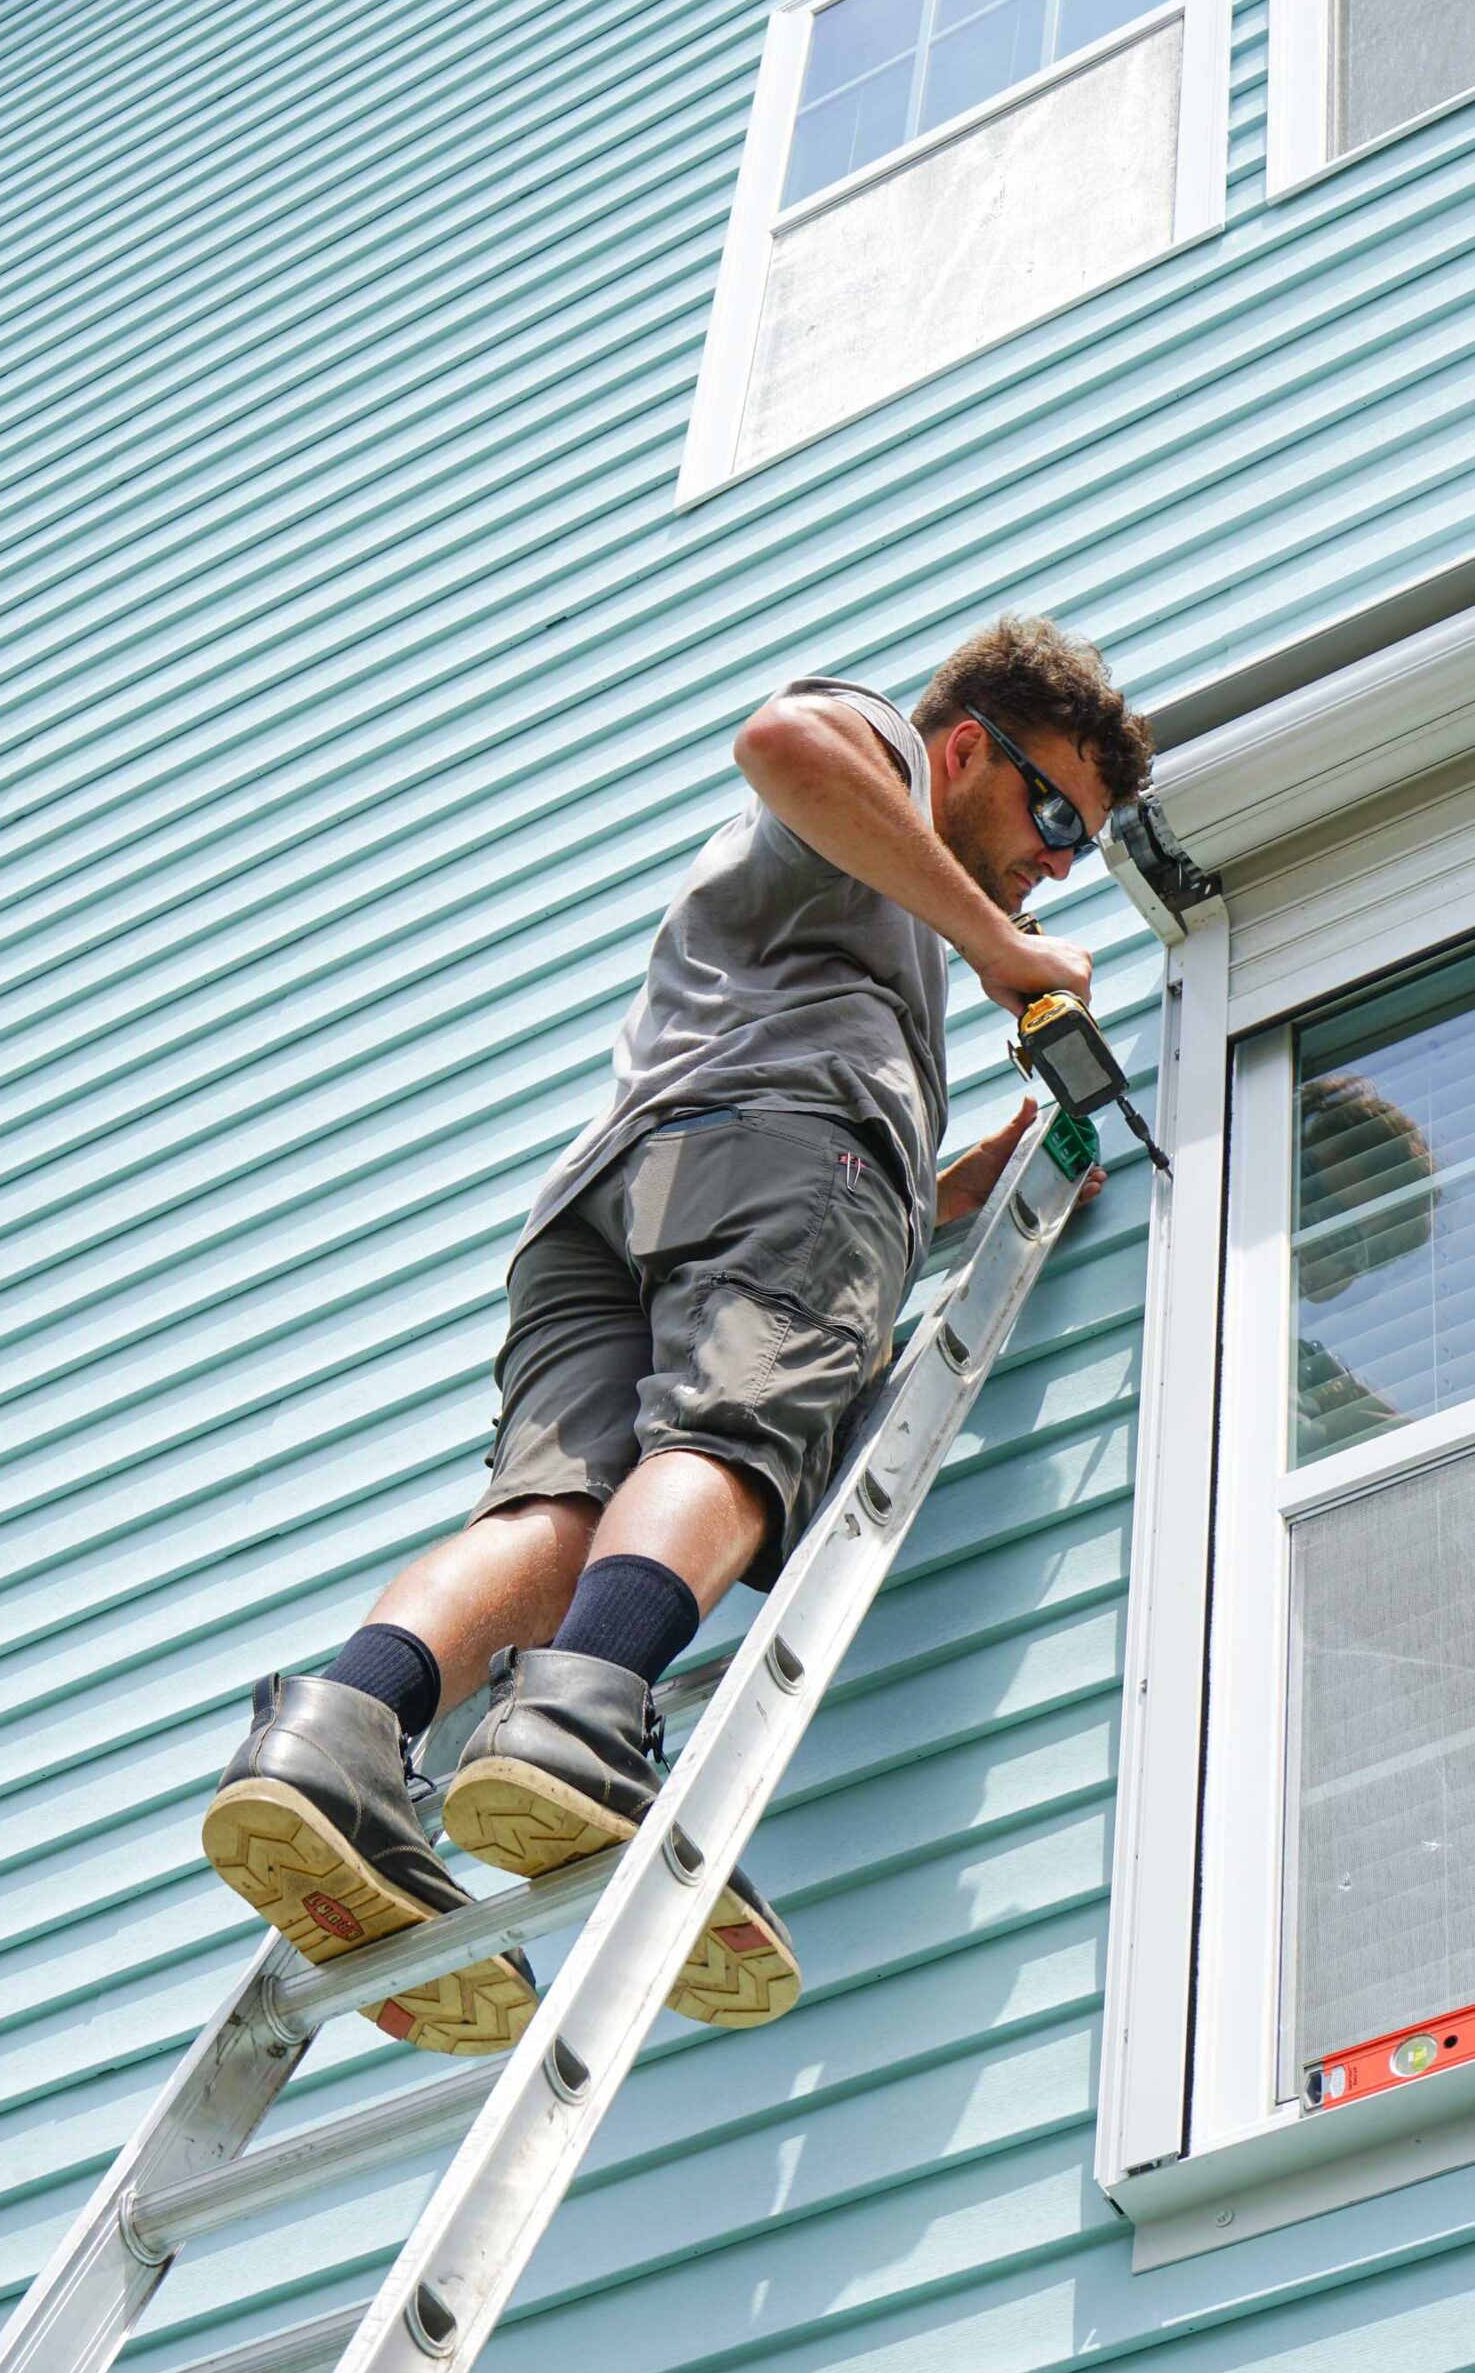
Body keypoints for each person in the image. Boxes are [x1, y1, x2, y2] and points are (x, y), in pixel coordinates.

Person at [201, 614, 1155, 2056]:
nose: (1054, 861)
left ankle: (342, 1729)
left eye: (1074, 846)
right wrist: (1007, 947)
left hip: (618, 1199)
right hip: (777, 1163)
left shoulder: (870, 902)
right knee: (730, 1443)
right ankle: (583, 1719)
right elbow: (779, 738)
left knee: (559, 1509)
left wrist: (936, 1200)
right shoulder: (882, 756)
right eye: (1052, 813)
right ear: (967, 747)